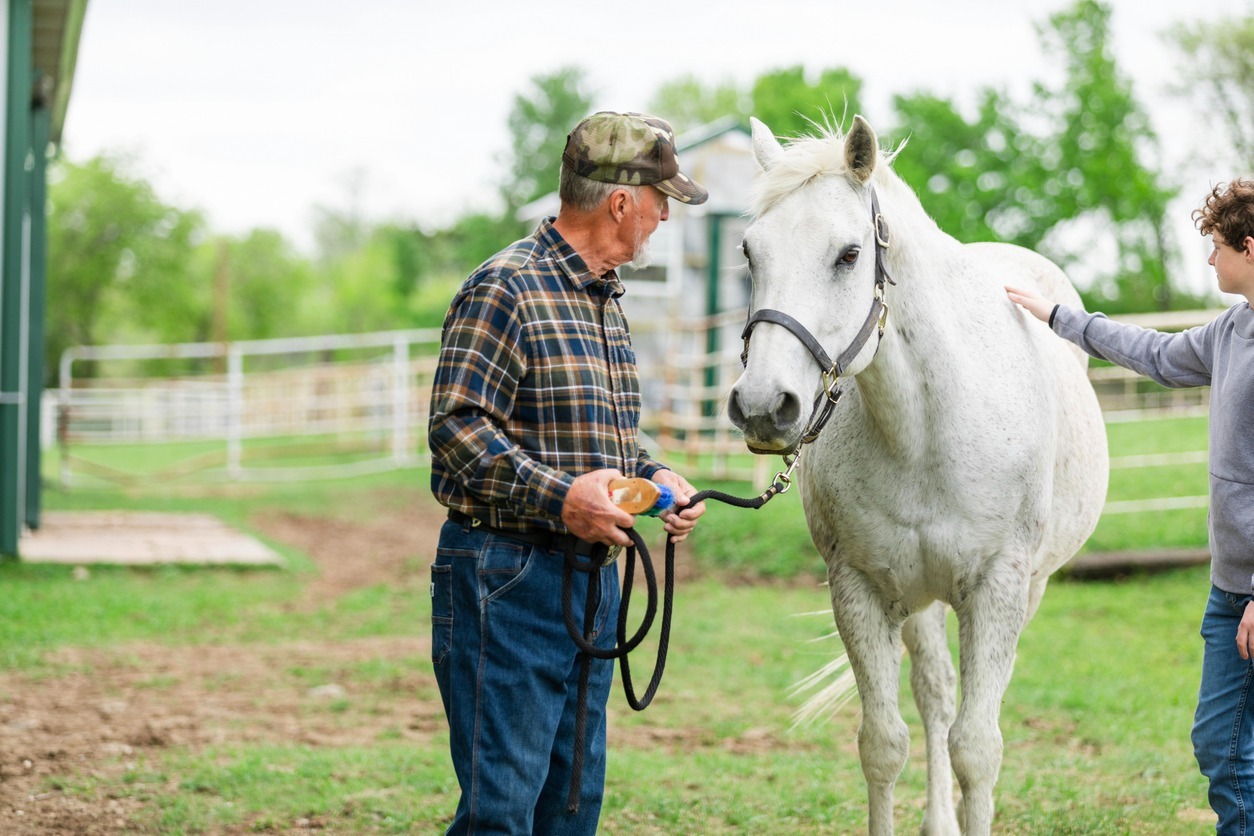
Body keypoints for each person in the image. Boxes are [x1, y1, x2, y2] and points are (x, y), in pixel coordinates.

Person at [428, 111, 709, 835]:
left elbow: (598, 444)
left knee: (570, 809)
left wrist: (653, 478)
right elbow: (456, 429)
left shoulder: (604, 302)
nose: (665, 215)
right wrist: (562, 501)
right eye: (660, 199)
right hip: (510, 578)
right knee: (501, 813)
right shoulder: (505, 288)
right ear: (621, 201)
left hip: (590, 581)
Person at [1007, 177, 1254, 836]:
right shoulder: (1233, 331)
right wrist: (1061, 319)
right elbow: (1155, 353)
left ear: (1250, 249)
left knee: (1227, 749)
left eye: (1216, 249)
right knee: (1220, 745)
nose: (1208, 262)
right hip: (1230, 590)